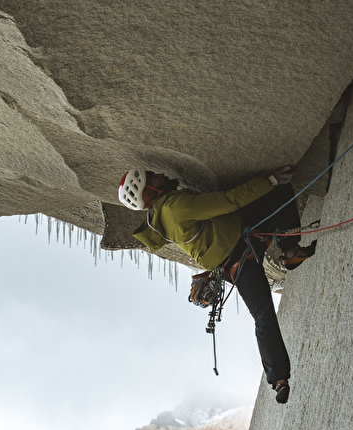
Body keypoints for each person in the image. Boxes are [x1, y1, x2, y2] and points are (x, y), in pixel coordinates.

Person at [119, 167, 316, 404]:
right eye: (153, 176)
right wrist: (270, 181)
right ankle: (289, 250)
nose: (160, 173)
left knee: (262, 315)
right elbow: (228, 201)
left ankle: (278, 379)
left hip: (230, 256)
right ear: (150, 189)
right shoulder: (174, 207)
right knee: (278, 191)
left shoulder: (161, 216)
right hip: (238, 249)